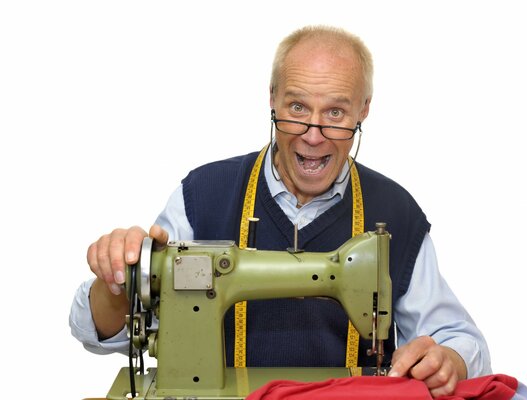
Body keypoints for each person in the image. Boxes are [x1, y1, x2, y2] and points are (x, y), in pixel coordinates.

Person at [70, 25, 492, 398]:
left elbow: (460, 340)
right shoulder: (203, 195)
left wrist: (448, 359)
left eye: (336, 113)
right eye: (297, 108)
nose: (313, 134)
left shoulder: (395, 211)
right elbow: (99, 331)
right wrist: (117, 278)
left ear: (365, 109)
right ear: (271, 99)